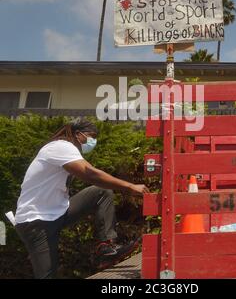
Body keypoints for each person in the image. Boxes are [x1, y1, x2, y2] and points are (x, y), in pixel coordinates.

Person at [15, 119, 149, 279]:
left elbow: (93, 175)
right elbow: (90, 173)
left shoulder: (69, 150)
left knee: (101, 192)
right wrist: (130, 187)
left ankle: (106, 248)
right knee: (47, 275)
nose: (93, 142)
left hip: (57, 213)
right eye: (91, 137)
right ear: (78, 135)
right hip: (35, 221)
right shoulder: (60, 146)